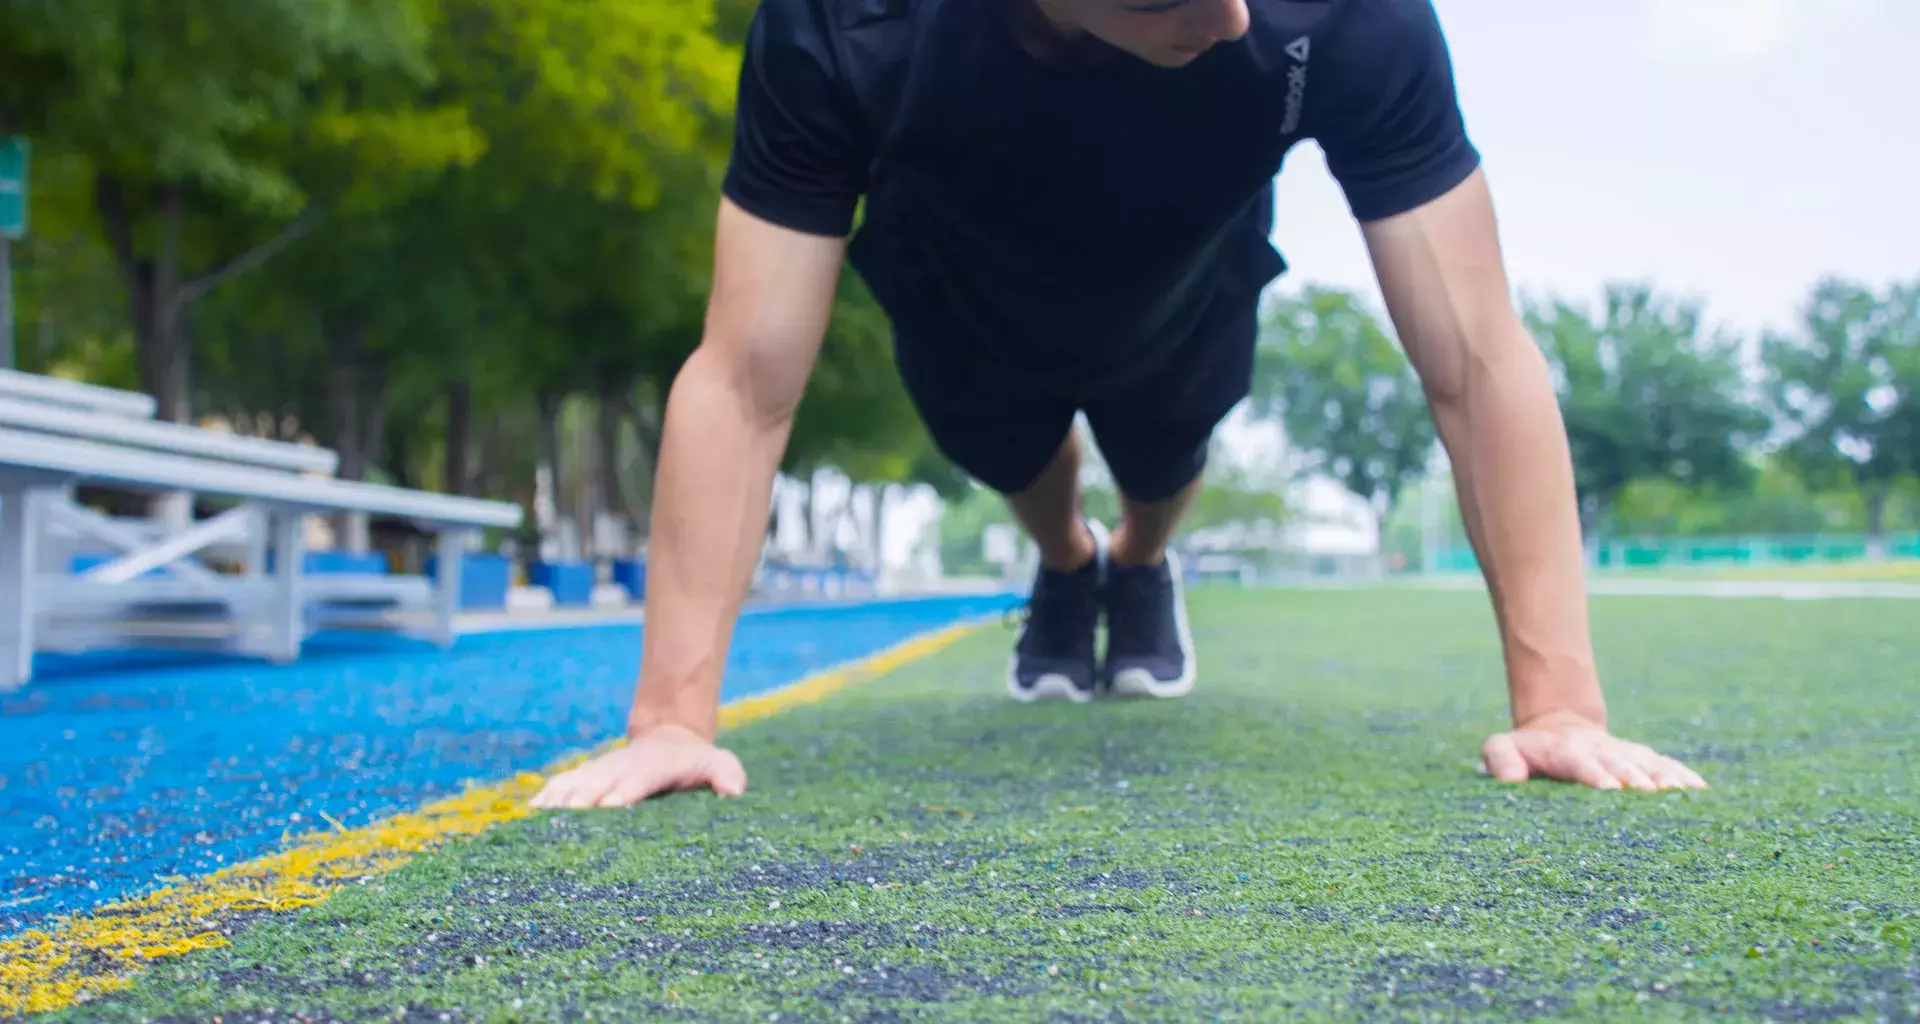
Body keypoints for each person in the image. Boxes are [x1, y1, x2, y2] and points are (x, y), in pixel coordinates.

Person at [531, 0, 1709, 810]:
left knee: (1162, 446)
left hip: (1186, 283)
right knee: (1014, 446)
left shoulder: (1339, 14)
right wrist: (673, 720)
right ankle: (1069, 561)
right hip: (960, 290)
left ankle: (1139, 562)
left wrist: (1561, 705)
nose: (1235, 19)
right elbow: (741, 379)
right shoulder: (849, 24)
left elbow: (1478, 356)